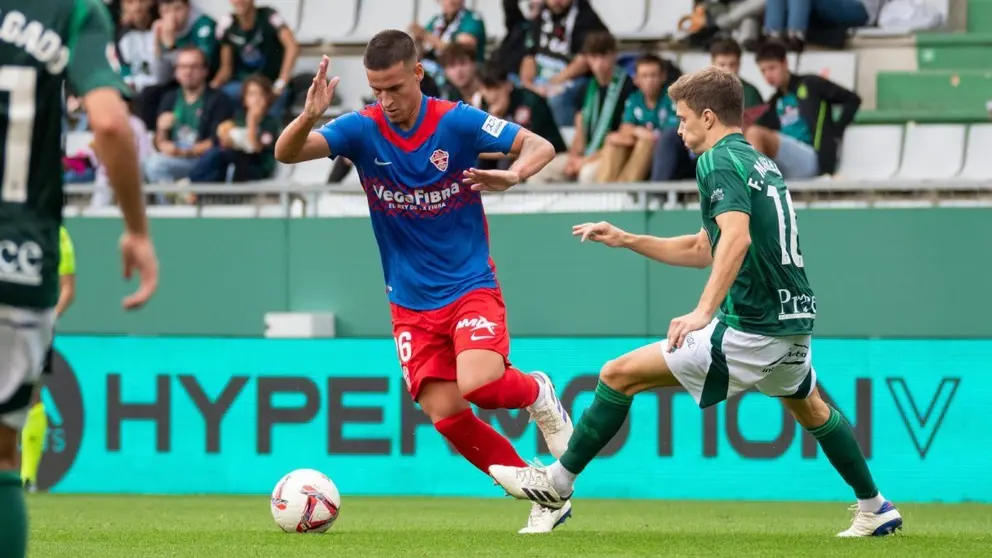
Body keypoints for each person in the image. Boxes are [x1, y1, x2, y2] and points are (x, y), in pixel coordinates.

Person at [488, 66, 904, 539]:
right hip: (792, 319)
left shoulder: (716, 160)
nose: (679, 130)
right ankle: (876, 506)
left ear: (708, 117)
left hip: (751, 327)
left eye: (683, 119)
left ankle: (556, 483)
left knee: (616, 375)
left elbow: (736, 238)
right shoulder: (757, 161)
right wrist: (627, 238)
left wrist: (704, 311)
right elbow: (705, 247)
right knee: (812, 409)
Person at [274, 30, 572, 534]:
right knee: (447, 417)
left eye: (395, 88)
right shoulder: (361, 129)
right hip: (410, 303)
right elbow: (286, 154)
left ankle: (538, 392)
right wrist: (309, 116)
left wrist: (515, 174)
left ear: (419, 73)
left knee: (480, 385)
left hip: (468, 285)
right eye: (376, 90)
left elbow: (540, 144)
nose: (386, 101)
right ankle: (544, 495)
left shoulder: (456, 121)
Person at [0, 0, 160, 553]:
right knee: (2, 453)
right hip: (17, 251)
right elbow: (111, 124)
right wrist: (137, 229)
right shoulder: (71, 11)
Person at [747, 41, 861, 180]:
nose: (768, 75)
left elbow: (852, 99)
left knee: (755, 133)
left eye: (772, 68)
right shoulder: (773, 102)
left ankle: (757, 194)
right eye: (763, 71)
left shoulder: (811, 84)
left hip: (812, 157)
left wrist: (836, 131)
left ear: (785, 63)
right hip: (785, 163)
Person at [20, 226, 75, 492]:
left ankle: (27, 476)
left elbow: (68, 288)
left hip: (34, 325)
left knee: (32, 395)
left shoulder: (57, 234)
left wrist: (49, 318)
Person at [144, 46, 235, 186]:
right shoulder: (170, 98)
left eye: (193, 66)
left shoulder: (218, 99)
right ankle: (173, 201)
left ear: (205, 71)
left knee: (155, 165)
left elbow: (216, 143)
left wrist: (180, 151)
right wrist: (161, 131)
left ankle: (175, 202)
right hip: (174, 159)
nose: (187, 72)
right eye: (182, 67)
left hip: (202, 161)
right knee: (143, 164)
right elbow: (159, 142)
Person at [211, 0, 299, 119]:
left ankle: (270, 131)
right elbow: (226, 68)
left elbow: (292, 46)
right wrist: (209, 90)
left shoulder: (269, 16)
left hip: (270, 83)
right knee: (223, 95)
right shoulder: (227, 24)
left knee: (275, 96)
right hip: (242, 85)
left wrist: (282, 81)